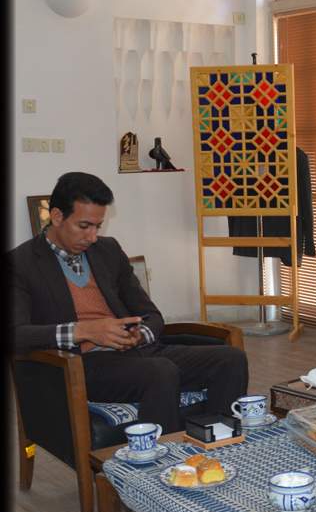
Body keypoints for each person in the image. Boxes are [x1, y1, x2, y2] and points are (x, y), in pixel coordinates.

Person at [9, 172, 249, 434]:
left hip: (138, 353)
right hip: (81, 365)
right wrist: (84, 331)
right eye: (84, 226)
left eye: (98, 226)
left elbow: (150, 314)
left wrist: (139, 334)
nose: (92, 237)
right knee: (160, 372)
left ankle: (218, 442)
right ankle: (163, 458)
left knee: (230, 359)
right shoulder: (21, 263)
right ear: (56, 217)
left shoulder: (108, 250)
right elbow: (16, 334)